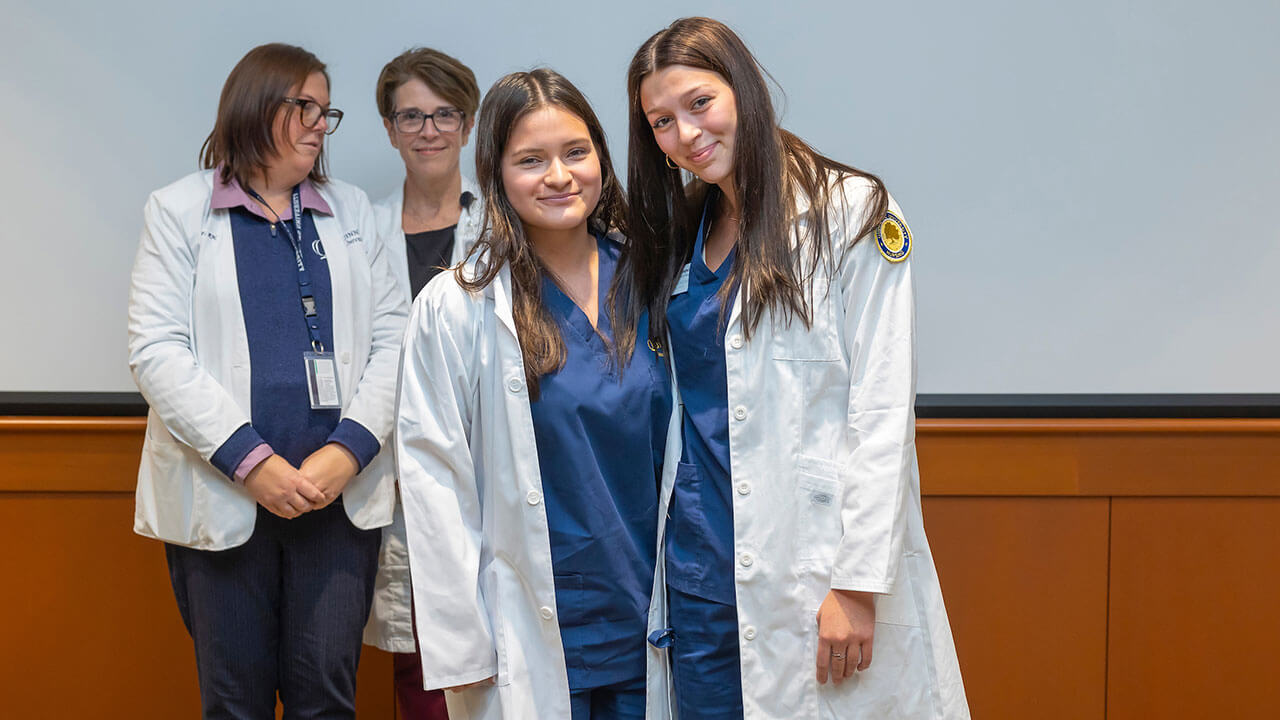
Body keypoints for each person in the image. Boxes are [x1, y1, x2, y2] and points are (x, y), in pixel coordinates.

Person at [615, 17, 970, 719]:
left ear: (742, 89)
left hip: (812, 569)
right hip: (699, 570)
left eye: (699, 103)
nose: (685, 134)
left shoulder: (851, 210)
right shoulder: (685, 230)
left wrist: (859, 583)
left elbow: (882, 407)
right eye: (661, 121)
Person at [127, 42, 405, 718]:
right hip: (225, 492)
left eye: (325, 111)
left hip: (335, 503)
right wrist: (253, 464)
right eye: (303, 106)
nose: (319, 123)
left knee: (326, 698)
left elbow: (398, 339)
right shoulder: (178, 211)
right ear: (254, 106)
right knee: (234, 702)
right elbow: (156, 348)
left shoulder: (353, 212)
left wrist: (348, 451)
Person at [395, 68, 679, 720]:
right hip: (534, 627)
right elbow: (435, 482)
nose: (559, 176)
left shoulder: (653, 282)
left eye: (576, 153)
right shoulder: (458, 307)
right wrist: (463, 652)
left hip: (654, 617)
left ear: (602, 159)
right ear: (495, 173)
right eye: (531, 160)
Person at [365, 46, 484, 720]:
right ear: (388, 129)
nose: (428, 130)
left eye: (444, 114)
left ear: (467, 125)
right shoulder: (361, 232)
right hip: (399, 478)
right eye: (411, 116)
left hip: (490, 470)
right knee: (420, 660)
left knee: (503, 647)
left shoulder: (504, 228)